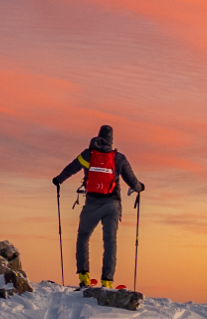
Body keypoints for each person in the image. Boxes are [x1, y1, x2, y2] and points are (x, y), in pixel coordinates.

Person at [51, 124, 144, 289]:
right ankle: (107, 281)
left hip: (92, 203)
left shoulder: (88, 154)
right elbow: (132, 180)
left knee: (83, 236)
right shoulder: (118, 158)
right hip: (112, 204)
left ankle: (84, 277)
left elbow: (71, 168)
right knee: (110, 241)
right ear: (111, 140)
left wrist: (58, 180)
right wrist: (139, 187)